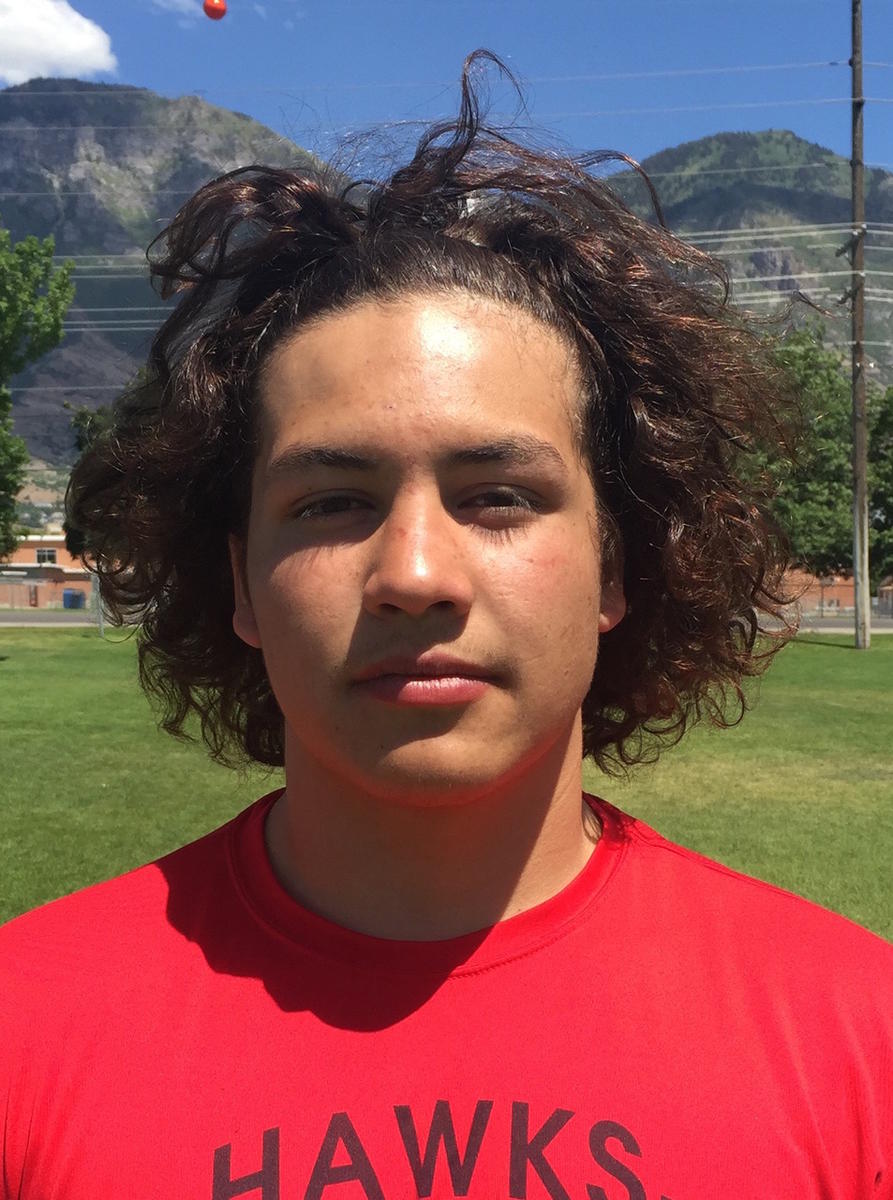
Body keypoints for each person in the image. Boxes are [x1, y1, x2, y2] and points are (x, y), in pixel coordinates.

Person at [2, 52, 891, 1200]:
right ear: (240, 584)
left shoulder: (857, 1039)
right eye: (332, 502)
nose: (414, 575)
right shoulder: (26, 1026)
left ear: (614, 566)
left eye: (498, 496)